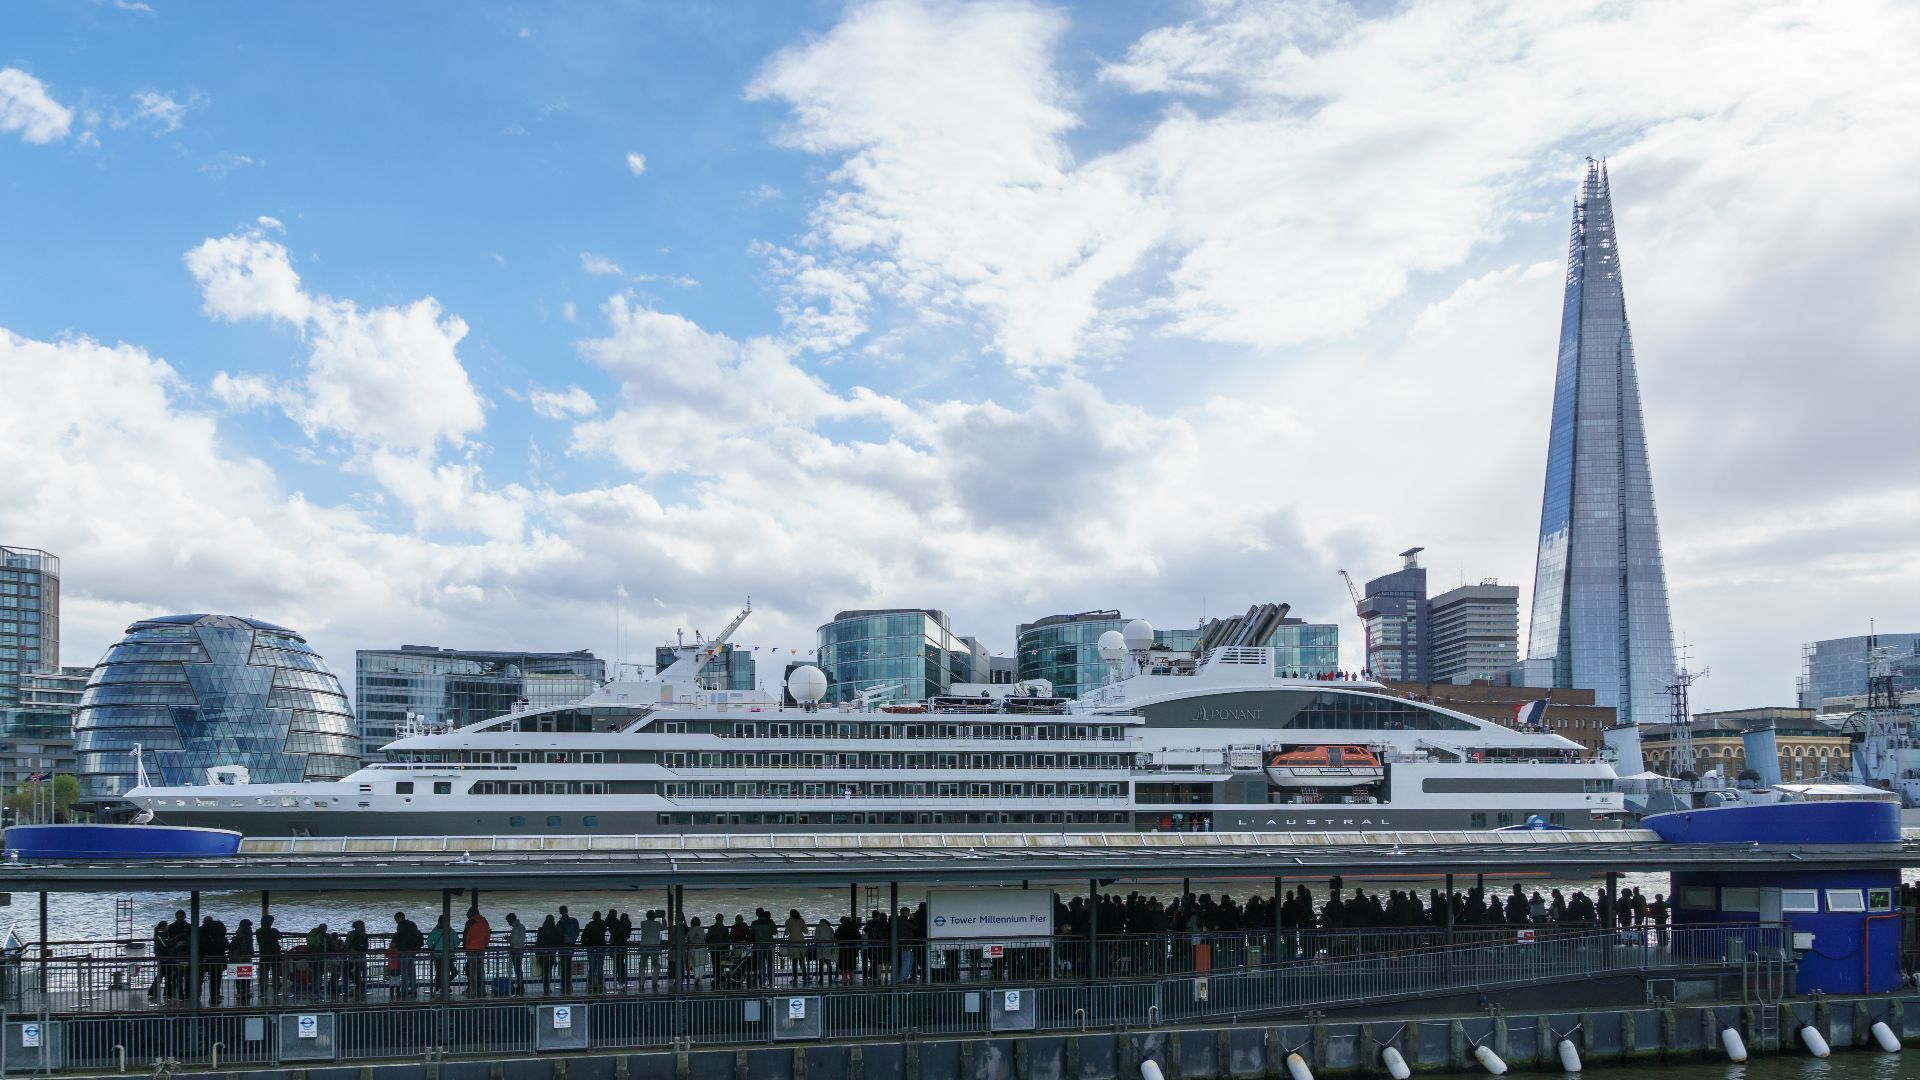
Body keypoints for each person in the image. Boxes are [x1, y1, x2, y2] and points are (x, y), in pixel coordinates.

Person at [391, 912, 423, 998]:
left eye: (396, 919)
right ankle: (413, 989)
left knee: (404, 971)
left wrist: (394, 937)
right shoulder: (412, 924)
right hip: (412, 951)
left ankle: (404, 990)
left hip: (404, 951)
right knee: (412, 971)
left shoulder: (401, 925)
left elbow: (399, 937)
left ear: (399, 918)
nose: (396, 921)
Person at [199, 914, 229, 1005]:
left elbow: (202, 947)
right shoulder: (222, 938)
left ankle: (197, 994)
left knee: (201, 978)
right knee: (216, 979)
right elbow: (227, 947)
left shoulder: (204, 936)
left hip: (206, 960)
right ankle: (215, 996)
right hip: (219, 961)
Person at [463, 907, 492, 997]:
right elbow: (487, 935)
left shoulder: (470, 923)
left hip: (471, 950)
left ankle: (472, 991)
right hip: (481, 949)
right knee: (480, 971)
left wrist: (465, 947)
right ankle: (482, 990)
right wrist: (485, 945)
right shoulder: (485, 922)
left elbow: (466, 936)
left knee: (472, 972)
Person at [257, 914, 284, 1003]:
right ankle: (276, 990)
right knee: (275, 973)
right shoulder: (274, 931)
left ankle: (263, 991)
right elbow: (280, 936)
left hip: (264, 955)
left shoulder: (258, 931)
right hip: (275, 954)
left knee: (263, 974)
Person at [229, 919, 256, 1006]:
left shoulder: (239, 934)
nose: (250, 928)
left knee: (240, 977)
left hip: (239, 957)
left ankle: (241, 992)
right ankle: (245, 992)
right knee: (245, 976)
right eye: (249, 926)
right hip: (244, 957)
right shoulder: (246, 935)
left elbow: (232, 946)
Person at [555, 905, 580, 993]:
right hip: (571, 946)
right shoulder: (574, 921)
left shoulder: (560, 923)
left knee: (563, 966)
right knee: (568, 966)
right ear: (567, 911)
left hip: (562, 947)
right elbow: (577, 932)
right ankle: (569, 985)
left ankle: (563, 985)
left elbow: (557, 935)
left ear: (560, 912)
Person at [425, 915, 451, 996]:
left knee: (439, 972)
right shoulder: (450, 931)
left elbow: (429, 942)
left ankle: (438, 987)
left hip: (437, 955)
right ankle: (445, 986)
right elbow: (457, 941)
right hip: (449, 956)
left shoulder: (435, 931)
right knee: (450, 971)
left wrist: (433, 948)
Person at [582, 911, 607, 992]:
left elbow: (584, 936)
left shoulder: (589, 925)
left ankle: (590, 984)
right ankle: (600, 984)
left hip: (591, 948)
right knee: (600, 968)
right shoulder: (603, 924)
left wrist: (586, 943)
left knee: (592, 968)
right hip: (601, 948)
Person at [639, 910, 666, 987]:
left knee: (642, 965)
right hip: (655, 947)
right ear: (654, 916)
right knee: (656, 965)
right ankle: (654, 982)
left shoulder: (643, 923)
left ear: (647, 916)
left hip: (644, 947)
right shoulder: (657, 924)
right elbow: (664, 927)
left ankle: (641, 983)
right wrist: (663, 918)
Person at [535, 914, 560, 994]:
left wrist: (537, 955)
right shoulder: (555, 930)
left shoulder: (541, 930)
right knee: (549, 971)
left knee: (544, 972)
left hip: (542, 953)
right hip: (551, 953)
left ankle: (545, 987)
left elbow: (538, 943)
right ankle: (547, 987)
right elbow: (556, 942)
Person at [345, 920, 369, 999]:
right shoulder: (365, 935)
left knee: (348, 971)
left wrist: (349, 951)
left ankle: (359, 988)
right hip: (362, 958)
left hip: (352, 958)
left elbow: (347, 945)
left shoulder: (350, 934)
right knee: (358, 973)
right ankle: (360, 988)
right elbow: (366, 947)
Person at [784, 909, 810, 984]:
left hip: (792, 943)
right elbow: (806, 932)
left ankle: (795, 978)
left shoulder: (788, 921)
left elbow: (786, 933)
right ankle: (805, 976)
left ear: (790, 914)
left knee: (794, 962)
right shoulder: (801, 920)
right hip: (801, 943)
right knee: (802, 962)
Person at [609, 908, 632, 987]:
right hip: (623, 946)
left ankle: (620, 979)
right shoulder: (628, 925)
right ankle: (622, 979)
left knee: (618, 963)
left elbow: (614, 934)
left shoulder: (619, 925)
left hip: (616, 947)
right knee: (621, 963)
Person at [506, 913, 527, 994]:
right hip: (521, 949)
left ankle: (520, 987)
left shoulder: (515, 929)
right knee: (519, 970)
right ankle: (521, 986)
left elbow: (514, 941)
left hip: (515, 951)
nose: (508, 923)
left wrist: (508, 939)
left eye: (508, 921)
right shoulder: (522, 926)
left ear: (511, 920)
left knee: (517, 970)